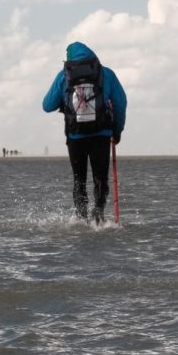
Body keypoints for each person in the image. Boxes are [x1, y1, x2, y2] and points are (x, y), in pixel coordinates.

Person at [42, 41, 128, 223]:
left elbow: (47, 105)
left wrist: (64, 101)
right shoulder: (106, 74)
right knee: (100, 178)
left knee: (79, 180)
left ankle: (81, 219)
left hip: (75, 136)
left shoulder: (64, 76)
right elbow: (121, 103)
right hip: (101, 134)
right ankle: (99, 214)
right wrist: (117, 130)